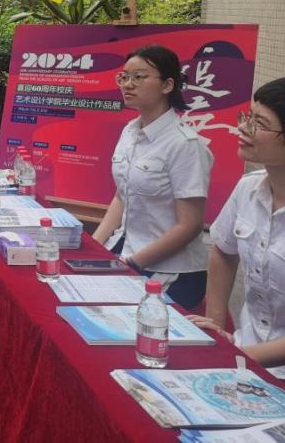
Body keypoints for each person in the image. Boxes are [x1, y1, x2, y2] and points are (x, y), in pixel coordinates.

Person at [92, 45, 212, 310]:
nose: (128, 84)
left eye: (139, 77)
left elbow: (190, 225)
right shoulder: (130, 131)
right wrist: (94, 246)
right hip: (124, 252)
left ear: (167, 85)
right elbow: (122, 196)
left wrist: (133, 264)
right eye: (124, 77)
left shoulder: (185, 145)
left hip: (171, 270)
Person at [188, 78, 285, 376]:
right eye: (247, 117)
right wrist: (216, 323)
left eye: (259, 123)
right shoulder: (248, 188)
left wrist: (237, 355)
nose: (243, 128)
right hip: (243, 356)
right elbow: (223, 250)